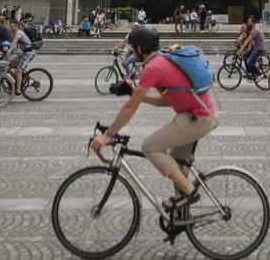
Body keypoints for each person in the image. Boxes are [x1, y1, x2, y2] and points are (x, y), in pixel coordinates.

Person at [90, 27, 218, 212]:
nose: (133, 52)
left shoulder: (154, 67)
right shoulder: (162, 60)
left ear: (140, 49)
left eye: (133, 49)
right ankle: (182, 207)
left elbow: (130, 108)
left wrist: (109, 134)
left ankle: (189, 192)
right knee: (176, 159)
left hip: (197, 118)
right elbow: (167, 100)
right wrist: (136, 94)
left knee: (150, 147)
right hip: (199, 114)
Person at [8, 18, 39, 94]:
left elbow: (14, 44)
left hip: (29, 52)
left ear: (17, 26)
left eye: (13, 26)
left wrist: (8, 50)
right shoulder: (15, 33)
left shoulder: (19, 32)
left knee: (18, 70)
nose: (12, 28)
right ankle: (22, 76)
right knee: (11, 61)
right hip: (24, 51)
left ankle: (18, 89)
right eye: (11, 26)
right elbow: (16, 47)